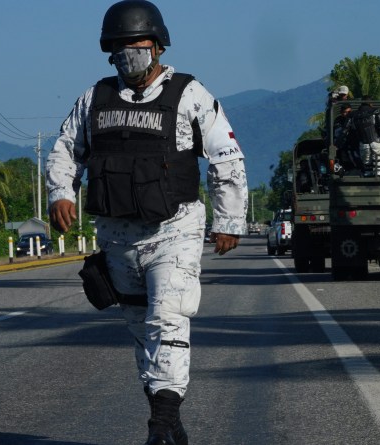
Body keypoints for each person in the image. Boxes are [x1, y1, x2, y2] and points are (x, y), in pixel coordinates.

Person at [45, 2, 248, 444]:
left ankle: (157, 428)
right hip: (117, 238)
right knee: (143, 336)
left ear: (156, 46)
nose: (127, 53)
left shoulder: (189, 93)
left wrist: (229, 219)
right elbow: (65, 148)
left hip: (174, 231)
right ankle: (171, 423)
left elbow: (226, 158)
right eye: (118, 47)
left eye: (135, 44)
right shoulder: (94, 98)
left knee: (167, 321)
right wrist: (61, 192)